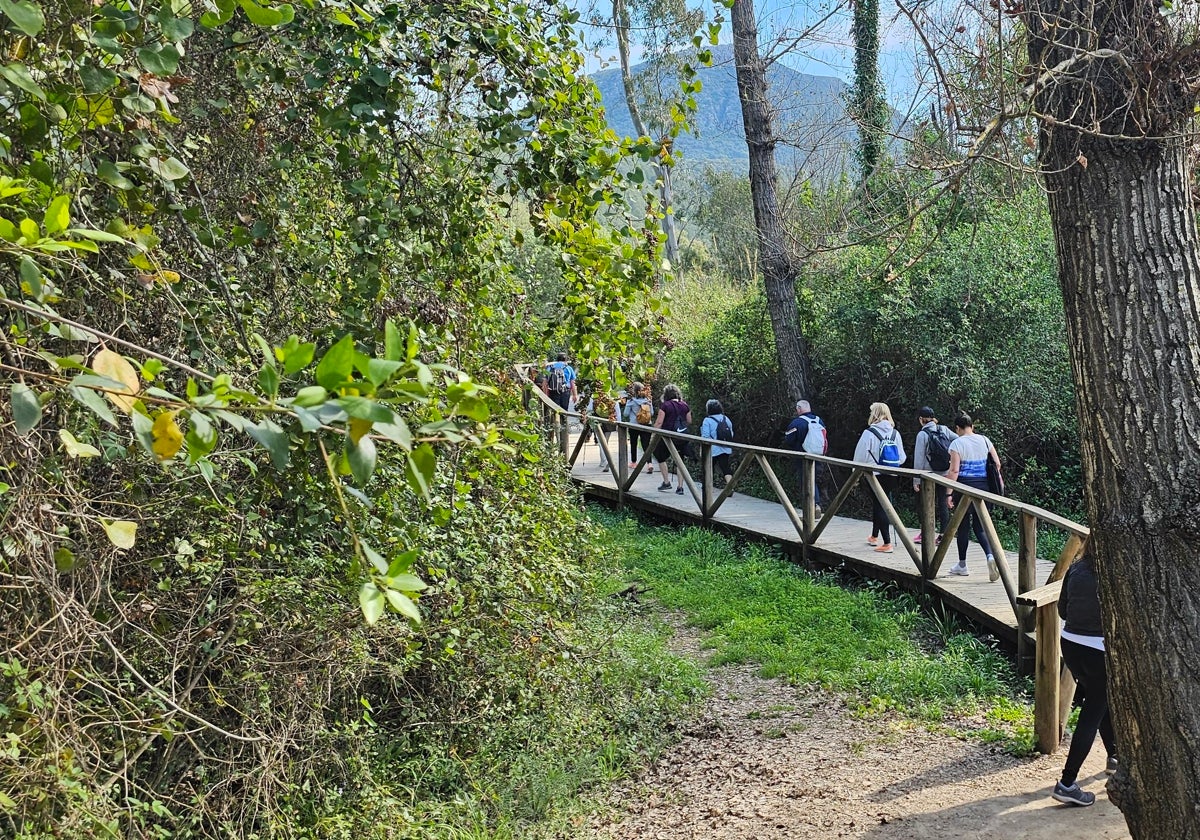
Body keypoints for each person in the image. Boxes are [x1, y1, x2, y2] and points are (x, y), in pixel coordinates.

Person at [1052, 554, 1118, 806]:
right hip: (1097, 649)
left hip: (1070, 644)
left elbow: (1061, 608)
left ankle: (1114, 755)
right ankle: (1067, 783)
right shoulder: (1116, 569)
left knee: (1097, 701)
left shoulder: (1077, 566)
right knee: (1092, 713)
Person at [944, 413, 1000, 580]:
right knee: (980, 527)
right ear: (972, 426)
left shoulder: (956, 443)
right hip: (984, 487)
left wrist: (949, 493)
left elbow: (954, 470)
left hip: (963, 487)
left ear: (958, 428)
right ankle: (990, 556)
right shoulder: (984, 440)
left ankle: (962, 565)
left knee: (963, 527)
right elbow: (997, 463)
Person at [852, 402, 906, 554]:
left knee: (879, 505)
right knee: (881, 504)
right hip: (892, 474)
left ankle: (887, 543)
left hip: (874, 475)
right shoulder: (895, 433)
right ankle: (874, 536)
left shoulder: (869, 433)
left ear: (874, 414)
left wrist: (854, 474)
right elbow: (902, 458)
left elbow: (859, 456)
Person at [912, 407, 957, 543]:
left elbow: (919, 458)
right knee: (943, 503)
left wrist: (916, 480)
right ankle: (943, 535)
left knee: (925, 504)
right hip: (944, 473)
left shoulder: (922, 434)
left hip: (928, 476)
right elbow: (957, 440)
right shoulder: (943, 429)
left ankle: (926, 533)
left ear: (921, 419)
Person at [782, 400, 827, 511]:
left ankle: (811, 508)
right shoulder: (819, 421)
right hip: (818, 456)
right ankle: (815, 505)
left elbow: (789, 440)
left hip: (803, 457)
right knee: (813, 481)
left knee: (805, 481)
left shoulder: (797, 423)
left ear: (799, 409)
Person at [653, 384, 692, 494]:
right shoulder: (685, 405)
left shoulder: (665, 405)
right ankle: (680, 487)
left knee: (659, 456)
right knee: (680, 461)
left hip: (668, 437)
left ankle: (666, 482)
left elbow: (659, 422)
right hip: (682, 437)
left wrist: (653, 432)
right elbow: (689, 421)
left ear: (666, 394)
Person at [700, 399, 734, 487]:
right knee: (725, 467)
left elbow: (705, 436)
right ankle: (730, 486)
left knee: (709, 467)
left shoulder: (707, 420)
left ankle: (707, 486)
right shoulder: (725, 418)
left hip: (712, 449)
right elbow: (731, 433)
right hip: (725, 447)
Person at [623, 382, 655, 474]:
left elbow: (625, 414)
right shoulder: (648, 400)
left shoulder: (631, 401)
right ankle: (649, 464)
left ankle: (634, 462)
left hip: (634, 425)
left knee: (634, 443)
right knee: (646, 444)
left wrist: (629, 406)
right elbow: (651, 413)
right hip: (647, 424)